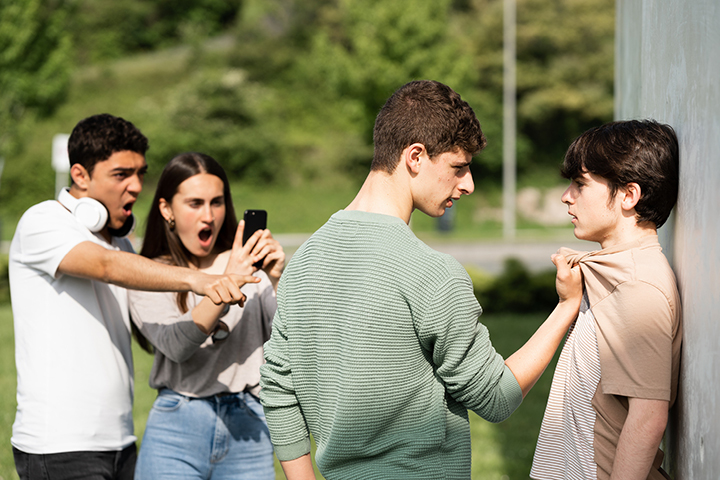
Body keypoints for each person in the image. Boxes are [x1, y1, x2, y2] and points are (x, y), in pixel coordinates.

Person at [259, 80, 583, 480]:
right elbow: (497, 398)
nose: (469, 185)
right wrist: (566, 307)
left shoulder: (305, 259)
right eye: (458, 167)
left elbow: (277, 387)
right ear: (415, 156)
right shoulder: (433, 274)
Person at [9, 114, 255, 480]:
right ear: (79, 176)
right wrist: (200, 281)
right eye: (121, 174)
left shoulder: (120, 242)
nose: (137, 186)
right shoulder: (43, 221)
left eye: (140, 173)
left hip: (120, 443)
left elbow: (153, 327)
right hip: (59, 446)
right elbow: (107, 266)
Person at [530, 120, 682, 480]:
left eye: (580, 184)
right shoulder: (612, 272)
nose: (566, 196)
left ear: (628, 196)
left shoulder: (637, 284)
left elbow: (648, 416)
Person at [128, 152, 283, 479]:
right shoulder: (151, 274)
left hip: (249, 425)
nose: (208, 216)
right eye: (195, 203)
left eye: (217, 202)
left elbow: (291, 338)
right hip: (177, 426)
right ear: (166, 209)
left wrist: (278, 278)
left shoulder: (248, 265)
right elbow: (176, 346)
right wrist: (226, 284)